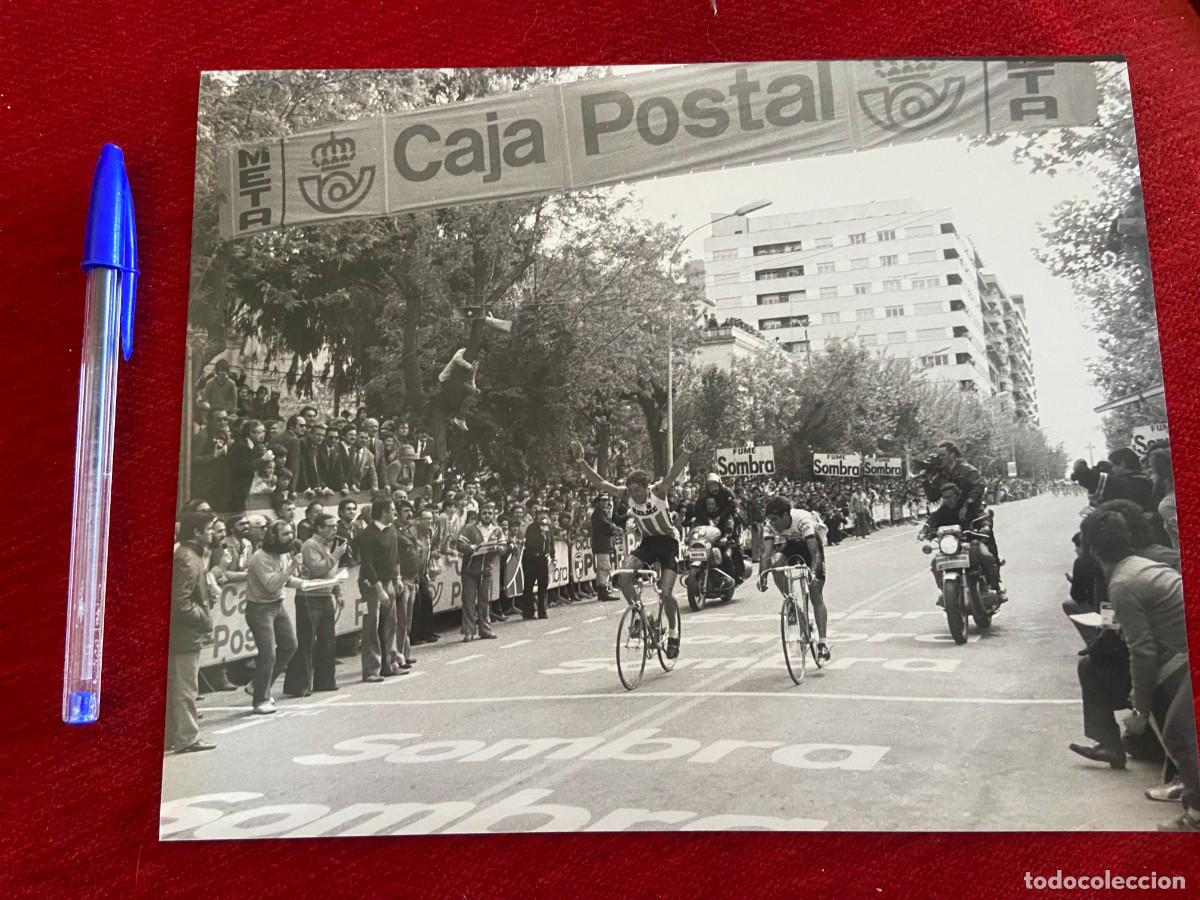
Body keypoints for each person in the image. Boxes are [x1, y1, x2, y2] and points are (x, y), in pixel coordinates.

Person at [1072, 511, 1198, 831]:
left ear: (1090, 550)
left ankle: (1195, 817)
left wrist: (1139, 711)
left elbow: (1142, 652)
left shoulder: (1124, 583)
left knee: (1178, 734)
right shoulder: (1135, 568)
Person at [571, 439, 692, 660]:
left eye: (638, 491)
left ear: (646, 487)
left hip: (668, 543)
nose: (634, 495)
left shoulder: (658, 491)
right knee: (625, 575)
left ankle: (674, 634)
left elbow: (674, 472)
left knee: (665, 594)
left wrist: (687, 451)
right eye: (632, 491)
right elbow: (601, 483)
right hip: (648, 543)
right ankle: (639, 615)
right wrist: (580, 461)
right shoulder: (626, 494)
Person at [757, 496, 831, 662]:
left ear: (786, 515)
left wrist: (812, 572)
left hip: (811, 545)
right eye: (770, 520)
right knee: (776, 563)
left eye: (776, 520)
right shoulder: (770, 525)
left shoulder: (802, 520)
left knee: (815, 593)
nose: (773, 523)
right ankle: (791, 603)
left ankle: (823, 643)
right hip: (790, 545)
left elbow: (814, 553)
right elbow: (766, 554)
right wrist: (762, 575)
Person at [166, 513, 216, 753]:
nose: (212, 533)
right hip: (185, 635)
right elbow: (180, 602)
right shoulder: (187, 558)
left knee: (180, 685)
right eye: (208, 529)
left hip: (185, 634)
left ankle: (174, 736)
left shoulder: (192, 556)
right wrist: (203, 618)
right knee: (186, 688)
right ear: (196, 532)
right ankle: (187, 737)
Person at [243, 519, 303, 714]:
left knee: (290, 644)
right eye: (285, 534)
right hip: (260, 609)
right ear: (273, 536)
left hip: (277, 605)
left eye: (290, 533)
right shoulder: (260, 557)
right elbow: (271, 584)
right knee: (268, 654)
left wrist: (306, 583)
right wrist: (292, 567)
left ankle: (259, 684)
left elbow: (286, 580)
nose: (290, 537)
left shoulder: (283, 555)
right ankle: (260, 699)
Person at [919, 481, 1003, 602]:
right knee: (934, 563)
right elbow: (932, 520)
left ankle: (996, 589)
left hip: (971, 542)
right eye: (944, 498)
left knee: (986, 556)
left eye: (949, 497)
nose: (946, 500)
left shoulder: (969, 507)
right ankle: (945, 592)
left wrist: (985, 526)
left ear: (957, 496)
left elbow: (982, 516)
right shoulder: (943, 510)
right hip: (951, 545)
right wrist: (924, 531)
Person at [355, 497, 403, 682]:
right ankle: (371, 669)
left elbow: (395, 556)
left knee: (390, 623)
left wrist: (397, 578)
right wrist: (379, 590)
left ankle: (390, 663)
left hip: (389, 581)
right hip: (371, 585)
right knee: (371, 627)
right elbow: (367, 565)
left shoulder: (391, 531)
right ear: (383, 512)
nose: (395, 512)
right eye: (392, 509)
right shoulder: (368, 535)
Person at [456, 501, 504, 640]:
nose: (487, 516)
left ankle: (485, 629)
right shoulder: (470, 528)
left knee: (484, 601)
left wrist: (500, 549)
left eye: (490, 513)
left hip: (486, 571)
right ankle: (468, 631)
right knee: (469, 601)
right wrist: (471, 548)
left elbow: (504, 545)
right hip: (470, 570)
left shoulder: (497, 529)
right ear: (479, 514)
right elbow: (460, 544)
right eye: (484, 513)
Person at [1071, 448, 1156, 513]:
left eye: (1113, 465)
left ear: (1123, 463)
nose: (1112, 470)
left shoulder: (1127, 483)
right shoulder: (1143, 481)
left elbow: (1085, 475)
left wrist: (1080, 466)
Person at [520, 507, 556, 619]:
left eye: (545, 513)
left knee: (543, 586)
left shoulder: (548, 527)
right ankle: (528, 612)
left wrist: (552, 555)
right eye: (540, 514)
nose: (542, 516)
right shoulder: (532, 527)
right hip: (531, 559)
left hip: (543, 560)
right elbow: (530, 543)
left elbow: (551, 542)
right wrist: (541, 534)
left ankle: (542, 611)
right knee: (529, 586)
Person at [590, 495, 621, 602]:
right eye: (602, 501)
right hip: (601, 544)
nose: (605, 503)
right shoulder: (598, 514)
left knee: (602, 568)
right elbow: (606, 526)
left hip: (602, 544)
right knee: (604, 567)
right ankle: (603, 591)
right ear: (598, 502)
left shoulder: (601, 513)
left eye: (605, 501)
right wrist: (614, 528)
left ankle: (602, 590)